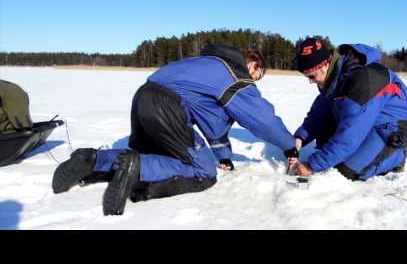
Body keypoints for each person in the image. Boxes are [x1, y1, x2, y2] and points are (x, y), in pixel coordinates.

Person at [52, 44, 298, 215]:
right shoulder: (234, 75)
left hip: (142, 98)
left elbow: (212, 122)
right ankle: (138, 173)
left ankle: (92, 159)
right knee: (202, 170)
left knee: (161, 156)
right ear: (251, 64)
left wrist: (224, 156)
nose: (257, 79)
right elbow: (262, 119)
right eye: (259, 72)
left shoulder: (206, 64)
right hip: (166, 106)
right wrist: (289, 145)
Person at [289, 38, 407, 181]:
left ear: (325, 65)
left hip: (392, 126)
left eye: (312, 76)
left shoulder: (363, 80)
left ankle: (397, 155)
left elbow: (350, 135)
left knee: (345, 171)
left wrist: (312, 166)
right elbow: (319, 115)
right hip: (365, 121)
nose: (311, 81)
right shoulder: (332, 79)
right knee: (329, 147)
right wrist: (299, 139)